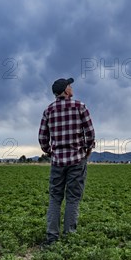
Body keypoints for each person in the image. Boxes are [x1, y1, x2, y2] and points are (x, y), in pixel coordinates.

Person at [38, 77, 95, 246]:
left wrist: (51, 151)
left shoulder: (49, 110)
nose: (71, 87)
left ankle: (52, 238)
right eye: (70, 86)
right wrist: (87, 150)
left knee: (55, 198)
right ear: (65, 90)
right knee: (73, 198)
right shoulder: (80, 106)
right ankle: (70, 237)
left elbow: (42, 138)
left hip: (57, 162)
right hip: (77, 160)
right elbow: (90, 134)